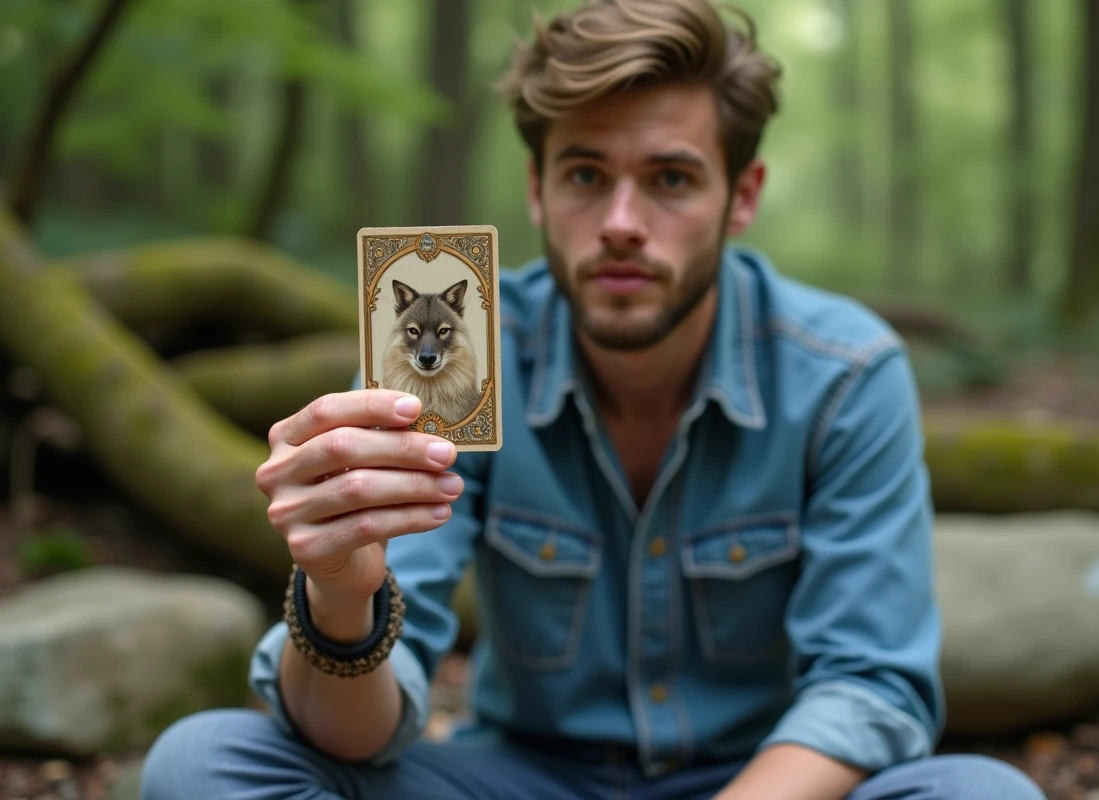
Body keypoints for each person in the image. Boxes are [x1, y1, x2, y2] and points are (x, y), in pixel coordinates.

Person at [141, 1, 1047, 798]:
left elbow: (870, 688)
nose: (621, 221)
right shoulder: (455, 364)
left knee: (985, 794)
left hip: (765, 779)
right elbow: (353, 734)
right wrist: (341, 592)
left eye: (670, 178)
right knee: (203, 765)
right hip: (517, 776)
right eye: (584, 175)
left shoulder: (846, 374)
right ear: (536, 190)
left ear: (742, 197)